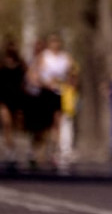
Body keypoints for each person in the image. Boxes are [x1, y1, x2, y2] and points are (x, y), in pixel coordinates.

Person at [26, 34, 76, 170]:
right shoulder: (44, 56)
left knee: (56, 123)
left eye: (57, 41)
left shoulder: (64, 58)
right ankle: (34, 152)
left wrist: (69, 81)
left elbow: (73, 73)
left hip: (57, 94)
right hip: (44, 94)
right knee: (41, 126)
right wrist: (44, 83)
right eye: (52, 41)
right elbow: (32, 75)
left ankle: (54, 153)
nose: (55, 44)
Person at [0, 41, 27, 166]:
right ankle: (9, 151)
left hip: (16, 98)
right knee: (6, 124)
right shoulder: (0, 66)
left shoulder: (21, 66)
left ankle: (14, 147)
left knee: (16, 126)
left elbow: (25, 80)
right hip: (4, 98)